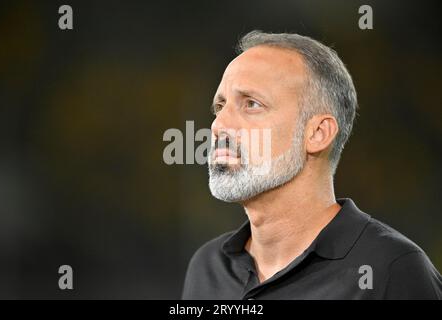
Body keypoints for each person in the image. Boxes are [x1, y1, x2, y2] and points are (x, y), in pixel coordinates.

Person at [182, 31, 442, 299]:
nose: (218, 125)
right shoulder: (207, 267)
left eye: (251, 104)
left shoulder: (392, 269)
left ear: (318, 133)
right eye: (220, 106)